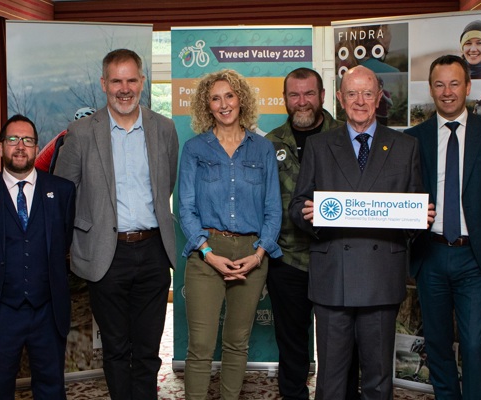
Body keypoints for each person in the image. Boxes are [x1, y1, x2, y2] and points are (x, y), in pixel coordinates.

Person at [290, 65, 431, 400]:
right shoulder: (319, 146)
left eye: (368, 93)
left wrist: (419, 219)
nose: (360, 101)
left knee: (378, 379)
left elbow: (414, 208)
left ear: (379, 97)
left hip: (381, 278)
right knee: (331, 380)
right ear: (339, 98)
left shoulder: (405, 146)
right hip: (332, 278)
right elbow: (297, 205)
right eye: (352, 93)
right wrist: (309, 215)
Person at [53, 48, 179, 400]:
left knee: (148, 351)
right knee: (116, 349)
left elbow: (165, 184)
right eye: (116, 81)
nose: (124, 88)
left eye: (131, 80)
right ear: (103, 84)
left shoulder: (164, 129)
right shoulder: (79, 133)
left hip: (154, 252)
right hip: (105, 255)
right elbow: (65, 194)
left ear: (142, 81)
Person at [405, 55, 481, 400]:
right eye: (439, 84)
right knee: (437, 343)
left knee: (471, 344)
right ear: (430, 89)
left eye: (454, 83)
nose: (447, 92)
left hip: (475, 256)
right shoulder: (414, 138)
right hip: (431, 254)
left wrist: (480, 226)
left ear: (468, 87)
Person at [177, 69, 281, 399]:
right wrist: (207, 252)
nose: (224, 104)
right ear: (206, 106)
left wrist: (260, 253)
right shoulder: (195, 149)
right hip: (206, 252)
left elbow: (273, 208)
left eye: (230, 96)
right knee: (201, 346)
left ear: (241, 100)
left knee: (237, 344)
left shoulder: (263, 149)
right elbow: (186, 208)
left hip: (252, 254)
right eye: (215, 98)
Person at [266, 67, 365, 400]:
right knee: (292, 344)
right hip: (288, 260)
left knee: (342, 345)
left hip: (339, 257)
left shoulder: (347, 136)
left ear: (324, 96)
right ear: (284, 99)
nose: (302, 101)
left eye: (309, 93)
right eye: (294, 95)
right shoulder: (270, 144)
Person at [0, 115, 76, 400]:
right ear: (0, 147)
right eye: (13, 139)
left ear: (36, 147)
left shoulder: (63, 191)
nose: (20, 146)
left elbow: (64, 241)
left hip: (48, 311)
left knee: (52, 389)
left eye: (27, 140)